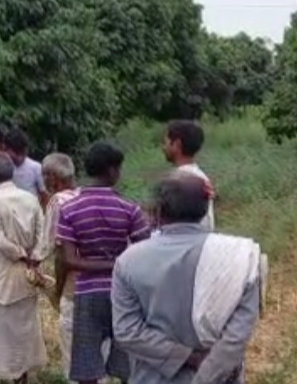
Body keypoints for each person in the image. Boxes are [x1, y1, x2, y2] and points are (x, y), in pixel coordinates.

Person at [113, 174, 264, 384]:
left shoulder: (128, 260)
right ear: (205, 209)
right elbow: (235, 338)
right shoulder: (237, 258)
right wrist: (206, 374)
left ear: (158, 211)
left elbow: (127, 332)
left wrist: (188, 358)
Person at [56, 142, 150, 384]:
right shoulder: (130, 208)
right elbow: (145, 254)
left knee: (87, 367)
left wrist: (103, 263)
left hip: (86, 293)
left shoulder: (69, 209)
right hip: (123, 294)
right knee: (129, 365)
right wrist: (118, 264)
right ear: (112, 170)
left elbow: (70, 260)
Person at [0, 151, 51, 383]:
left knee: (0, 330)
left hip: (2, 274)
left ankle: (8, 376)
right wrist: (34, 258)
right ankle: (24, 376)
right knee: (25, 328)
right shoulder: (29, 198)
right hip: (28, 274)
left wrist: (21, 256)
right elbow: (42, 234)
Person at [41, 153, 80, 373]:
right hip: (100, 284)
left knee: (72, 350)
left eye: (44, 176)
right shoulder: (84, 195)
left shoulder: (58, 202)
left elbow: (57, 252)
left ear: (52, 177)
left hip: (73, 285)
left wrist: (57, 289)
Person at [162, 120, 215, 232]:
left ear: (177, 144)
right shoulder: (200, 177)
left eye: (166, 142)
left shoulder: (179, 181)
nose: (164, 148)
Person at [4, 129, 47, 204]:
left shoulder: (35, 167)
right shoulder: (4, 167)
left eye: (22, 153)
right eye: (16, 153)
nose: (19, 158)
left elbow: (44, 194)